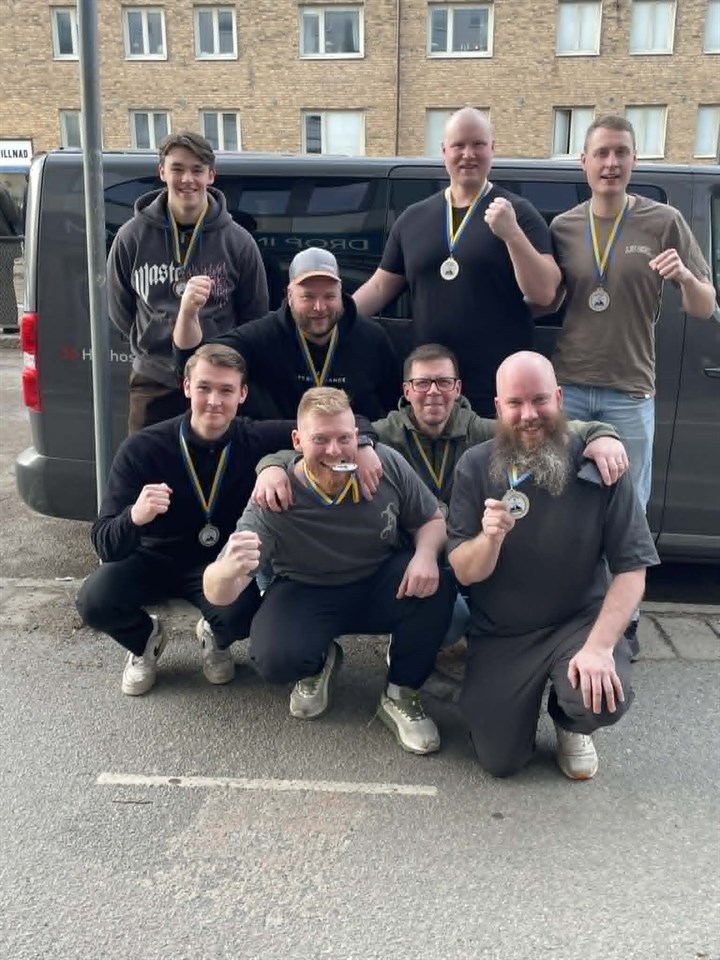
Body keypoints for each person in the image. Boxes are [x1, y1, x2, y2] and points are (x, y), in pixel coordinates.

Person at [252, 342, 630, 677]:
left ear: (457, 389)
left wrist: (601, 434)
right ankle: (413, 642)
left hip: (466, 551)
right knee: (447, 616)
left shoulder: (481, 431)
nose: (433, 392)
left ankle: (451, 650)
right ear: (407, 391)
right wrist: (271, 466)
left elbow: (551, 427)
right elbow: (319, 448)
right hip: (412, 555)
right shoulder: (385, 434)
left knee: (456, 619)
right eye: (422, 383)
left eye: (443, 382)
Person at [203, 387, 456, 755]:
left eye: (343, 439)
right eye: (320, 439)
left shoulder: (384, 464)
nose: (335, 451)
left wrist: (426, 554)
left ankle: (401, 691)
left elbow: (431, 519)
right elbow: (219, 592)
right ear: (297, 441)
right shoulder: (274, 495)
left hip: (377, 579)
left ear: (357, 437)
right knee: (274, 660)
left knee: (438, 584)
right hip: (306, 588)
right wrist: (226, 570)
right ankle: (320, 661)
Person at [447, 352, 660, 781]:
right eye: (515, 403)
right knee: (500, 761)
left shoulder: (601, 463)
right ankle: (513, 709)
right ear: (498, 407)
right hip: (503, 632)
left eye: (540, 400)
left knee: (601, 698)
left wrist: (600, 647)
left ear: (559, 398)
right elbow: (466, 572)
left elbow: (632, 570)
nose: (529, 414)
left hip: (578, 624)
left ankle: (570, 722)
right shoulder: (475, 465)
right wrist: (490, 539)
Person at [549, 114, 716, 650]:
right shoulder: (563, 227)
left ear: (634, 160)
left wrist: (685, 276)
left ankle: (627, 622)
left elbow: (705, 306)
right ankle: (569, 615)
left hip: (629, 393)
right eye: (601, 153)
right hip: (569, 389)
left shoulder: (664, 221)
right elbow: (542, 297)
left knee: (627, 511)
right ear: (583, 162)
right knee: (564, 504)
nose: (611, 163)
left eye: (621, 152)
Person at [75, 344, 307, 697]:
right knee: (95, 600)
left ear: (242, 394)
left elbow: (336, 428)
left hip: (215, 565)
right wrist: (134, 517)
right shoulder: (143, 448)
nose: (214, 401)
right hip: (150, 559)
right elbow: (104, 542)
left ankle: (215, 636)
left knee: (244, 614)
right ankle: (145, 640)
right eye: (204, 388)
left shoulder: (256, 438)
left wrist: (274, 464)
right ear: (186, 387)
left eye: (226, 390)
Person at [352, 108, 561, 415]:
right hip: (432, 390)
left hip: (498, 388)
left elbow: (544, 292)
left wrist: (512, 234)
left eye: (478, 144)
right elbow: (381, 286)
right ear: (444, 151)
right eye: (459, 145)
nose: (468, 154)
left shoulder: (518, 212)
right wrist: (336, 318)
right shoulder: (413, 218)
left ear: (492, 148)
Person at [107, 130, 269, 433]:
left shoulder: (238, 241)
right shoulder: (132, 236)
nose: (187, 179)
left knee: (214, 463)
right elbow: (120, 310)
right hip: (154, 380)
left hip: (216, 383)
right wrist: (155, 338)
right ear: (162, 172)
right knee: (146, 461)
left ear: (211, 175)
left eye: (197, 170)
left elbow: (254, 314)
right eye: (177, 168)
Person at [173, 246, 401, 421]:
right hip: (277, 452)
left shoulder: (372, 338)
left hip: (350, 451)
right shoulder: (262, 336)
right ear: (289, 295)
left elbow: (395, 405)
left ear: (341, 293)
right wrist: (188, 313)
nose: (319, 307)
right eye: (308, 296)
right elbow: (192, 360)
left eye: (329, 296)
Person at [0, 182, 23, 330]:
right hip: (4, 243)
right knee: (5, 284)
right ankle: (8, 322)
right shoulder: (1, 191)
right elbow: (13, 215)